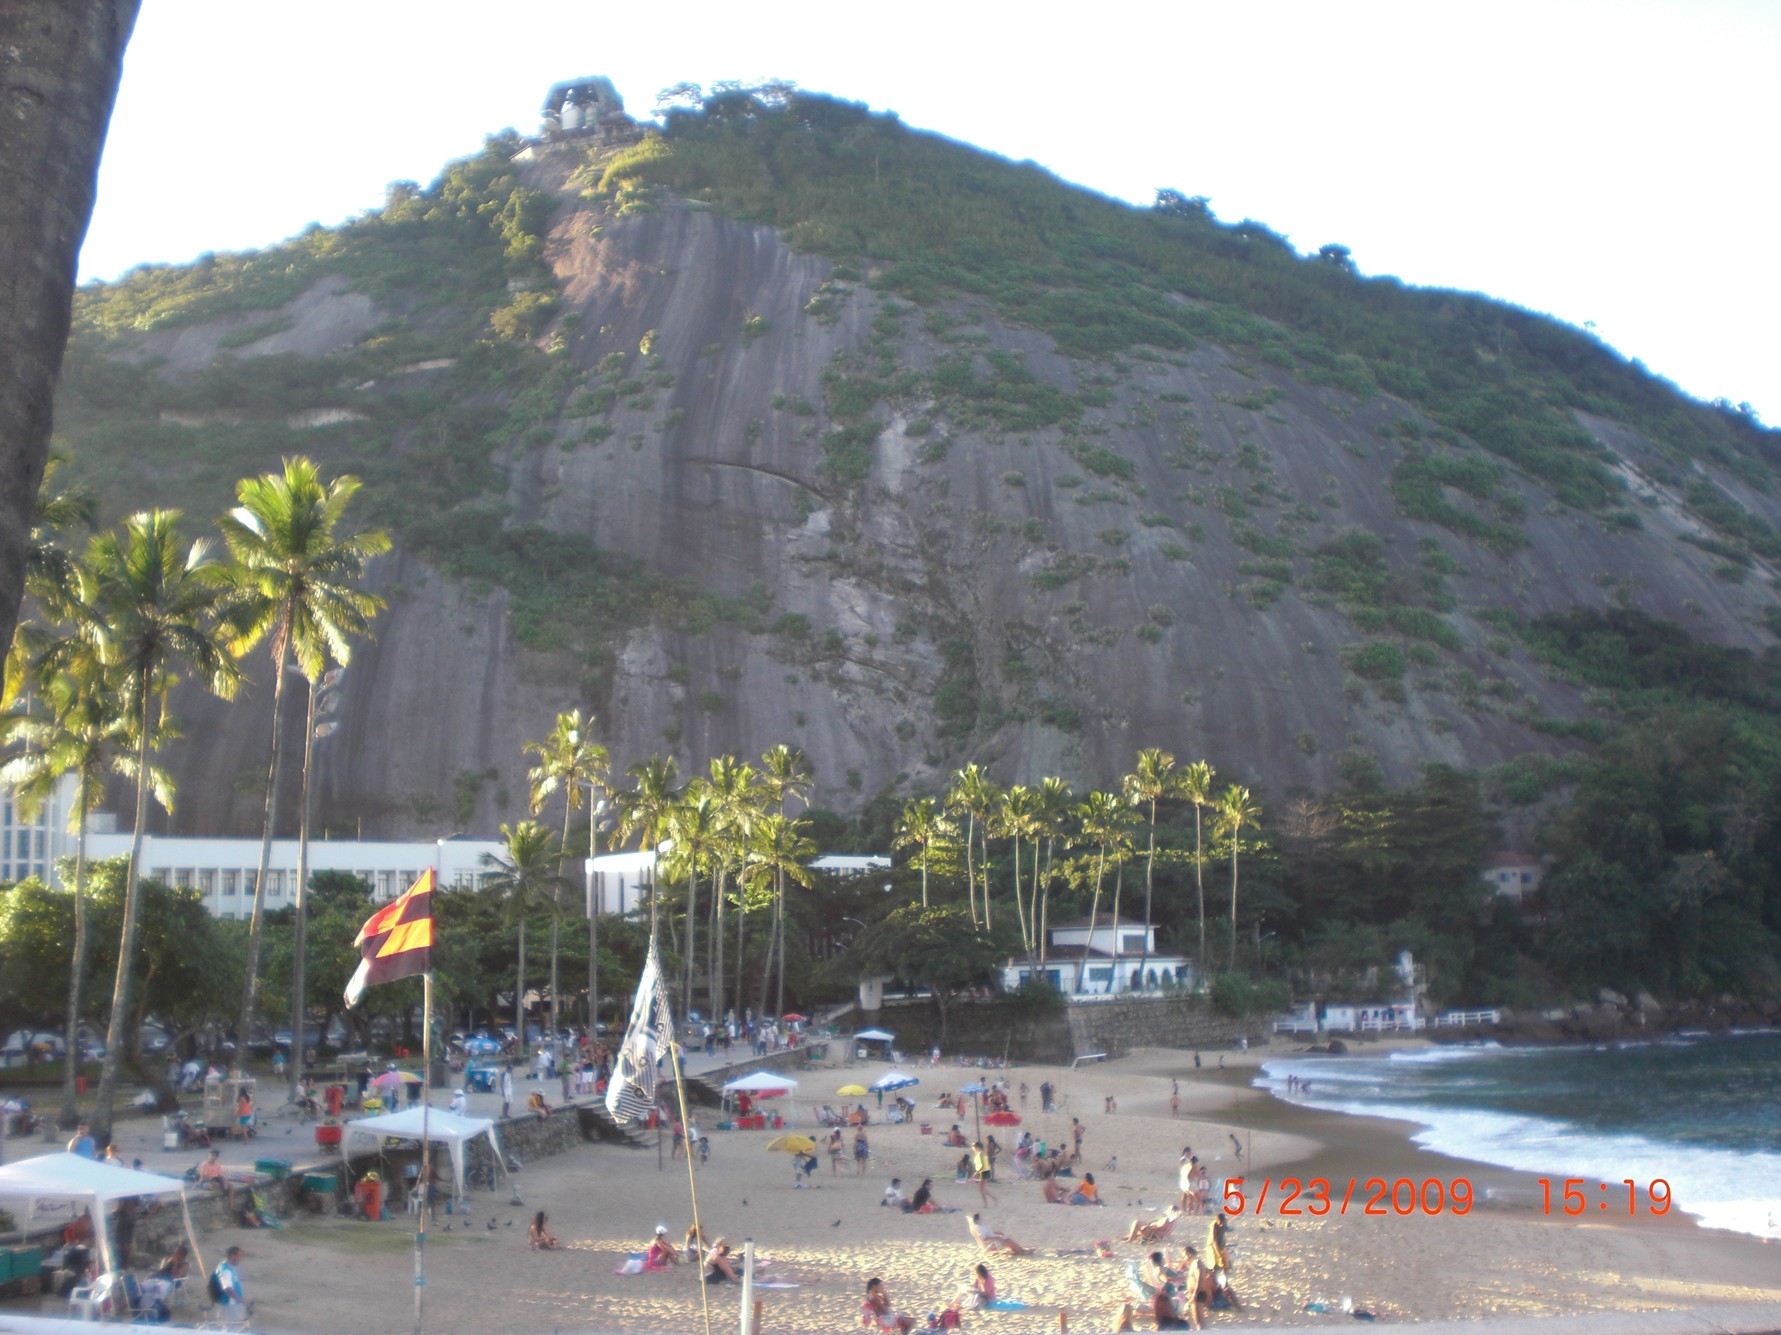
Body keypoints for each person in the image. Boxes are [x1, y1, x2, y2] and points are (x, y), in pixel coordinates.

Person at [967, 1213, 1033, 1257]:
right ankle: (1022, 1251)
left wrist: (995, 1233)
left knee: (1007, 1240)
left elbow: (986, 1235)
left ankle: (1020, 1250)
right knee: (1008, 1241)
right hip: (990, 1245)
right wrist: (996, 1238)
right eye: (980, 1218)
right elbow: (983, 1239)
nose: (982, 1219)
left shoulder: (975, 1228)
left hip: (987, 1245)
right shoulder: (980, 1228)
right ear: (978, 1220)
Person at [209, 1246, 247, 1317]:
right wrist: (241, 1300)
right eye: (239, 1256)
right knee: (230, 1324)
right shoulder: (225, 1270)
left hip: (230, 1305)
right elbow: (228, 1289)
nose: (240, 1259)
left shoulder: (229, 1268)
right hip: (227, 1305)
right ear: (232, 1256)